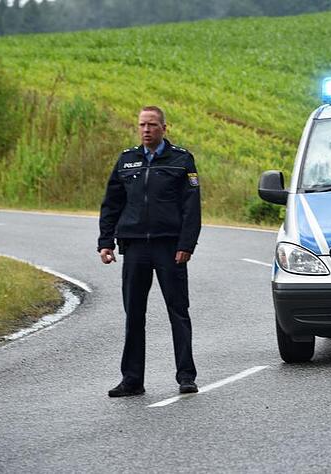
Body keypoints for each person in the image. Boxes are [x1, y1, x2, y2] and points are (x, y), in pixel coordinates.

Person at [97, 106, 202, 397]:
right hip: (134, 248)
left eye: (152, 125)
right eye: (142, 124)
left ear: (164, 128)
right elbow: (111, 204)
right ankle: (132, 380)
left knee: (178, 312)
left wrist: (186, 245)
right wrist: (105, 241)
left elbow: (192, 207)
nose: (146, 130)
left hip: (169, 247)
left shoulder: (182, 159)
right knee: (134, 315)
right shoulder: (126, 160)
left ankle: (186, 376)